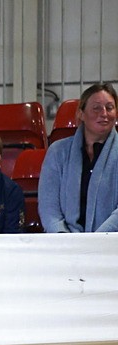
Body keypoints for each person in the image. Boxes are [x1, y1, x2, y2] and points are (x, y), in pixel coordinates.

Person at [38, 82, 118, 233]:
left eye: (109, 107)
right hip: (64, 243)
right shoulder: (57, 152)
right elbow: (49, 207)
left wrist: (97, 240)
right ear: (81, 113)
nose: (104, 113)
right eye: (96, 108)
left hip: (111, 243)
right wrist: (63, 238)